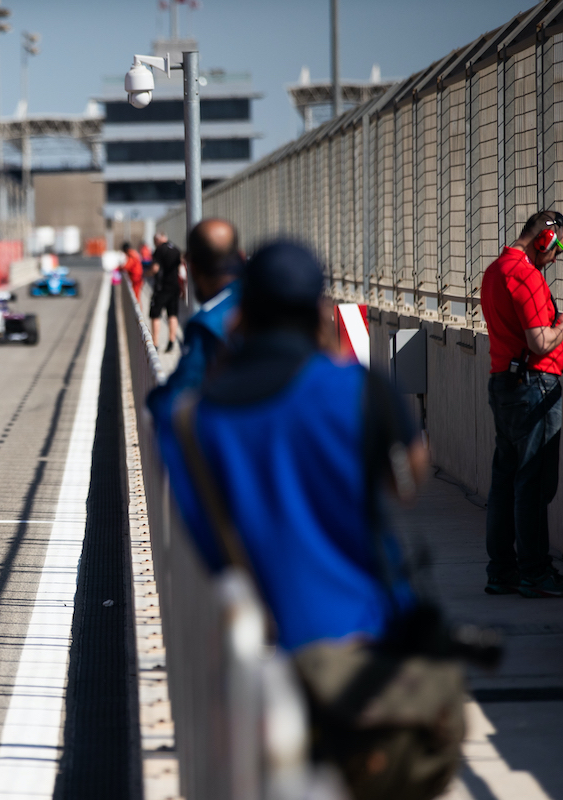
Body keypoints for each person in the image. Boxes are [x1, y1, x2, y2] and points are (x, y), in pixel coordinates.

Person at [150, 241, 463, 799]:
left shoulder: (190, 421)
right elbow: (409, 482)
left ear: (244, 310)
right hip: (361, 648)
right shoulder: (354, 389)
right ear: (318, 307)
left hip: (249, 656)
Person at [479, 210, 563, 598]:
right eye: (558, 247)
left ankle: (502, 571)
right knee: (532, 482)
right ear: (545, 239)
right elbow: (540, 342)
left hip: (505, 382)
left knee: (506, 480)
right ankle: (534, 570)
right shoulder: (525, 275)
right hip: (534, 386)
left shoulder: (495, 269)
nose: (557, 257)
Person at [161, 218, 243, 394]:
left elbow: (177, 396)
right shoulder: (275, 302)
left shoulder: (207, 322)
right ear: (241, 256)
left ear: (192, 267)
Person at [149, 232, 182, 353]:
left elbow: (155, 268)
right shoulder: (176, 249)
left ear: (158, 239)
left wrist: (146, 274)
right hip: (174, 287)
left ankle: (155, 342)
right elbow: (180, 269)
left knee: (155, 314)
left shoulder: (159, 250)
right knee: (172, 314)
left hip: (162, 288)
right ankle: (171, 341)